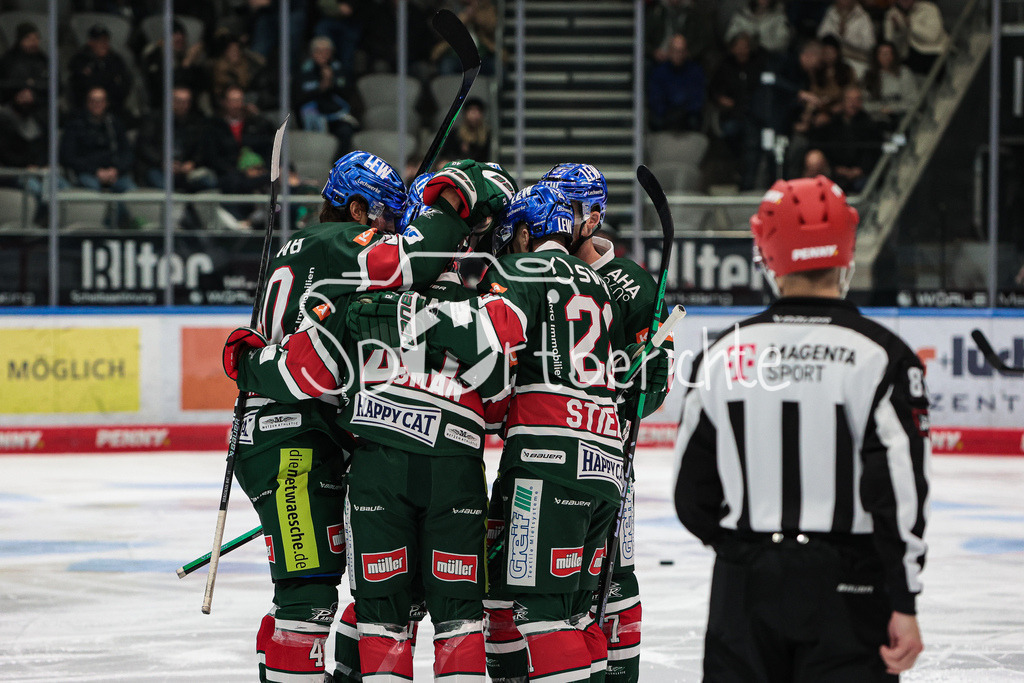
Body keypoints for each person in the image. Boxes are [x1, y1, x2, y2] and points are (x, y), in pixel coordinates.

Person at [347, 183, 663, 682]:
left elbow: (492, 340)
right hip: (605, 465)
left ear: (525, 232)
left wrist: (409, 317)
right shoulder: (599, 284)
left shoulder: (519, 269)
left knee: (541, 614)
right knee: (575, 611)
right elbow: (639, 382)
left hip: (547, 461)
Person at [222, 154, 516, 682]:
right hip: (291, 436)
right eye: (384, 217)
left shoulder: (311, 250)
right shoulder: (343, 244)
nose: (389, 230)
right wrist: (452, 203)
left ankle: (330, 671)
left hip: (296, 433)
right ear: (356, 208)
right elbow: (315, 366)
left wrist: (252, 361)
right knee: (308, 596)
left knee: (325, 590)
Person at [674, 175, 929, 682]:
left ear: (768, 255)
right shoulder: (882, 355)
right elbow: (898, 490)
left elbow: (691, 493)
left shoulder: (720, 354)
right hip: (848, 586)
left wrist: (744, 552)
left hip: (744, 582)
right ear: (846, 249)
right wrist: (904, 598)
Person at [540, 163, 671, 683]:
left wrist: (632, 388)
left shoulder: (631, 283)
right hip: (545, 457)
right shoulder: (536, 268)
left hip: (608, 457)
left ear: (592, 219)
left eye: (566, 207)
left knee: (612, 581)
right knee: (544, 587)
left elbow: (656, 385)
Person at [59, 86, 137, 227]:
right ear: (87, 103)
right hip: (88, 173)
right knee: (95, 192)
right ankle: (101, 228)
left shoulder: (114, 124)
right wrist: (96, 171)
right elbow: (68, 157)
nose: (97, 104)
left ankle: (122, 228)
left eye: (100, 101)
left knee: (131, 190)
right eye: (93, 101)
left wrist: (116, 170)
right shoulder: (75, 125)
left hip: (115, 173)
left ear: (106, 103)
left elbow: (127, 153)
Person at [710, 33, 767, 190]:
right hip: (732, 114)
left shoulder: (757, 65)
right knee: (730, 132)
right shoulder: (725, 66)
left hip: (753, 115)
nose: (742, 50)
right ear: (732, 49)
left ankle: (748, 185)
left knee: (752, 143)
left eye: (745, 46)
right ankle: (735, 172)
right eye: (738, 46)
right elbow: (713, 90)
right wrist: (721, 99)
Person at [136, 86, 217, 194]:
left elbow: (201, 147)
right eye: (179, 101)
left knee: (209, 181)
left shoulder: (196, 122)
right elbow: (144, 146)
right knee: (165, 187)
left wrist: (192, 163)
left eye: (186, 101)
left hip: (185, 169)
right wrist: (163, 162)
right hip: (158, 167)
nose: (183, 105)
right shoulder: (154, 119)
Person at [811, 85, 883, 193]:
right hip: (835, 172)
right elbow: (825, 147)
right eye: (849, 99)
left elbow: (874, 152)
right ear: (843, 102)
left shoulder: (870, 124)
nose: (853, 104)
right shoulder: (832, 123)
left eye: (857, 99)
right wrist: (836, 168)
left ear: (861, 102)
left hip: (862, 174)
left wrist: (860, 170)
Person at [293, 36, 357, 152]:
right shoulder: (303, 72)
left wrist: (331, 83)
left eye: (326, 51)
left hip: (335, 116)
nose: (323, 55)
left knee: (346, 131)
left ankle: (338, 162)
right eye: (319, 51)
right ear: (312, 53)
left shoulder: (340, 71)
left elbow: (348, 95)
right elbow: (297, 99)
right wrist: (321, 87)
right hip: (309, 117)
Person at [67, 25, 133, 114]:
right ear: (90, 42)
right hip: (84, 109)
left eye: (105, 41)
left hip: (113, 107)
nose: (103, 44)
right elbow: (77, 87)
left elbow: (125, 82)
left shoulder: (116, 59)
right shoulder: (79, 60)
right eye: (99, 41)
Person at [648, 33, 706, 133]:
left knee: (694, 121)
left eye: (680, 51)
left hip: (687, 114)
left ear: (686, 52)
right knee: (656, 121)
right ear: (669, 52)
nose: (677, 55)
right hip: (665, 114)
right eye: (674, 51)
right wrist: (668, 112)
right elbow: (655, 97)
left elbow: (698, 97)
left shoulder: (695, 71)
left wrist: (684, 112)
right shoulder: (659, 72)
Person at [863, 41, 919, 128]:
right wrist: (880, 109)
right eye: (883, 54)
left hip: (901, 116)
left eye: (889, 54)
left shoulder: (904, 73)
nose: (887, 57)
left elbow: (912, 102)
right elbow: (864, 104)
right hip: (877, 117)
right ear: (876, 56)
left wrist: (892, 109)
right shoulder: (869, 76)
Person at [884, 0, 948, 76]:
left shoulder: (929, 9)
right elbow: (890, 43)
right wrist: (897, 30)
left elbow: (932, 37)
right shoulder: (893, 13)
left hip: (933, 52)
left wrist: (910, 24)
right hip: (908, 56)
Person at [817, 0, 876, 78]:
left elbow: (869, 44)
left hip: (856, 60)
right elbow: (821, 35)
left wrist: (846, 37)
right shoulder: (831, 13)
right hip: (833, 60)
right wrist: (837, 35)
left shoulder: (863, 17)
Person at [0, 23, 48, 104]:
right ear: (20, 40)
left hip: (40, 104)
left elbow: (56, 85)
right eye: (29, 38)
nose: (34, 42)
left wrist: (34, 91)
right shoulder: (8, 60)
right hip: (12, 104)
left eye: (36, 38)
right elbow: (4, 84)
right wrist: (23, 86)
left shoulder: (43, 60)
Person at [724, 0, 792, 57]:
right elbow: (729, 37)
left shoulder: (779, 16)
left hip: (769, 58)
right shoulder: (742, 14)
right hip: (744, 59)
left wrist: (760, 45)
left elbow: (783, 41)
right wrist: (742, 38)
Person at [440, 97, 491, 163]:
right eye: (471, 111)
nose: (474, 115)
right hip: (456, 165)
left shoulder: (487, 135)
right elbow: (445, 155)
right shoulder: (455, 133)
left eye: (477, 111)